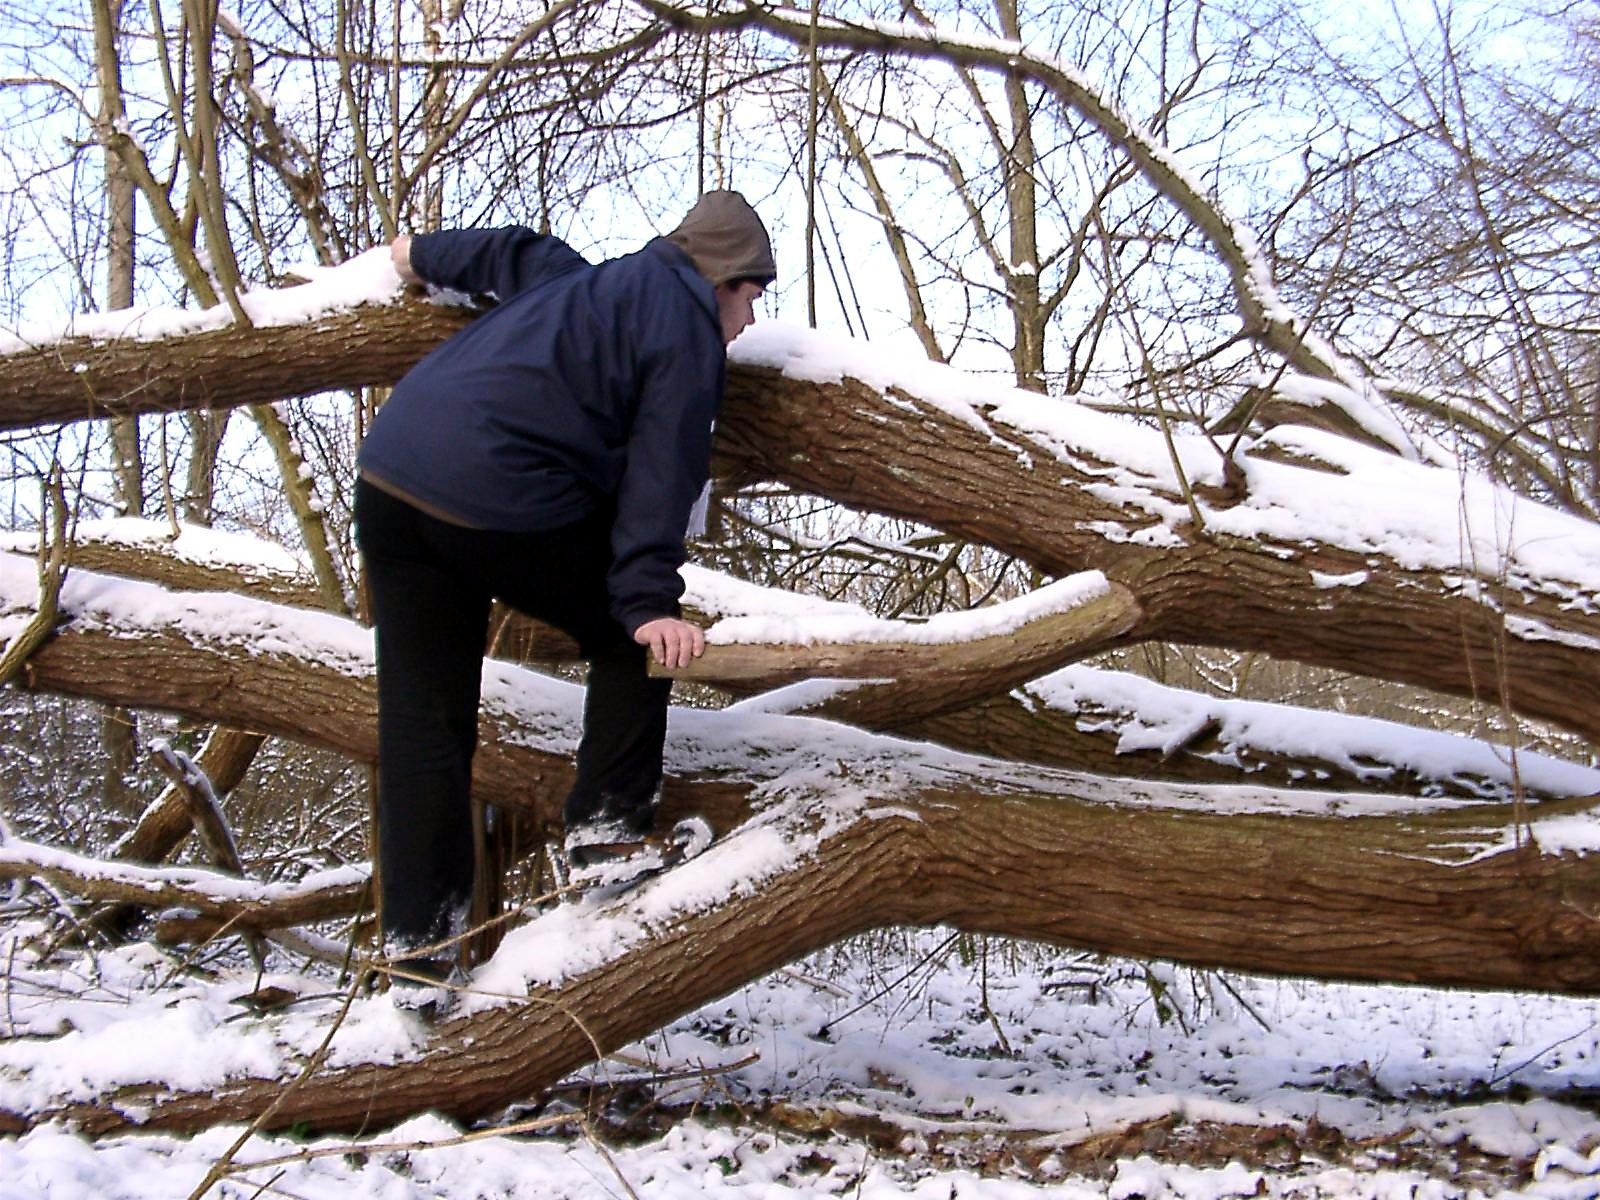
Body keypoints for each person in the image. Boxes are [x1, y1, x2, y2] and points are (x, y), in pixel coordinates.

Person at [354, 191, 775, 982]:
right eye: (751, 296)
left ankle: (419, 952)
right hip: (494, 496)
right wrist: (648, 603)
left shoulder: (575, 282)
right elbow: (663, 472)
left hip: (390, 478)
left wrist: (417, 254)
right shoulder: (686, 335)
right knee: (633, 635)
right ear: (720, 277)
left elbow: (510, 249)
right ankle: (609, 834)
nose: (749, 321)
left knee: (422, 724)